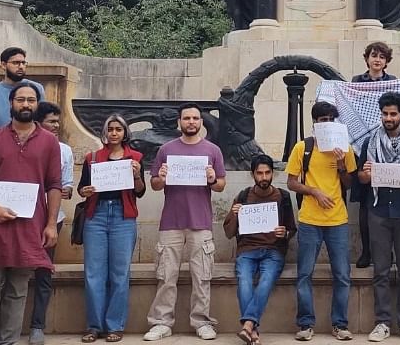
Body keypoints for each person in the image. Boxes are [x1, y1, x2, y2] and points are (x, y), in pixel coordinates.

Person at [0, 82, 62, 345]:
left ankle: (6, 342)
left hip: (29, 228)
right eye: (21, 100)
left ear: (36, 104)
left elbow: (54, 185)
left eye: (31, 100)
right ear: (11, 104)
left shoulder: (49, 142)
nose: (26, 105)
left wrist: (51, 224)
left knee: (17, 292)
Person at [144, 105, 227, 341]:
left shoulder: (212, 150)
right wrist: (160, 177)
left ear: (201, 122)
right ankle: (161, 322)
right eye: (186, 118)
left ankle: (201, 321)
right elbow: (155, 184)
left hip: (200, 222)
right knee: (166, 276)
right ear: (179, 122)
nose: (191, 122)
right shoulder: (166, 149)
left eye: (195, 118)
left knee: (201, 276)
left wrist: (212, 179)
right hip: (171, 221)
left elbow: (221, 184)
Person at [358, 92, 400, 343]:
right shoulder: (370, 142)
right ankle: (382, 322)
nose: (389, 118)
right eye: (385, 114)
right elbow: (362, 178)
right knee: (381, 270)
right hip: (377, 210)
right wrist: (366, 173)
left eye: (393, 114)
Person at [287, 101, 358, 342]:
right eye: (322, 120)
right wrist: (314, 191)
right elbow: (291, 183)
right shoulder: (302, 148)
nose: (326, 123)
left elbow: (350, 183)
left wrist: (340, 165)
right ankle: (306, 323)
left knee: (342, 274)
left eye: (330, 119)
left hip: (337, 219)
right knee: (305, 273)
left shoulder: (344, 148)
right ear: (315, 123)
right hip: (309, 219)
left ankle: (340, 324)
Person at [77, 114, 146, 343]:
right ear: (105, 133)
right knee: (93, 273)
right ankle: (94, 326)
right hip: (95, 216)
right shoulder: (93, 158)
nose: (114, 133)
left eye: (118, 129)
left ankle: (114, 325)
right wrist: (85, 191)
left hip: (122, 216)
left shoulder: (135, 158)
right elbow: (82, 188)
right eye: (110, 129)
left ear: (125, 132)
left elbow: (139, 191)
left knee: (120, 273)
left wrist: (136, 175)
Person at [223, 154, 298, 345]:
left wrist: (285, 233)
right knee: (245, 281)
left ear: (273, 173)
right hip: (247, 250)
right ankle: (252, 328)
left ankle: (248, 324)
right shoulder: (243, 196)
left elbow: (292, 229)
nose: (264, 177)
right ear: (253, 175)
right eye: (259, 173)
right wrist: (234, 215)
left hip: (273, 251)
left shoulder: (283, 197)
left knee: (266, 281)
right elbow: (229, 233)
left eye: (267, 173)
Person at [28, 102, 74, 345]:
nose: (56, 126)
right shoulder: (24, 146)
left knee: (44, 274)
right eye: (51, 121)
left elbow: (67, 183)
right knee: (15, 274)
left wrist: (64, 190)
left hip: (52, 221)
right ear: (38, 123)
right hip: (23, 220)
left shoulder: (64, 150)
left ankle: (38, 326)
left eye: (58, 121)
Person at [351, 41, 396, 268]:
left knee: (390, 200)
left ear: (386, 61)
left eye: (381, 57)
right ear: (367, 58)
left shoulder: (394, 83)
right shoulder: (356, 83)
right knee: (365, 202)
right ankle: (366, 252)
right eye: (373, 56)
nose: (377, 60)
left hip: (390, 147)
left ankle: (388, 252)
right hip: (363, 145)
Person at [0, 47, 46, 134]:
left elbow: (43, 120)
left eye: (23, 63)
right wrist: (2, 142)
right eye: (16, 63)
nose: (21, 66)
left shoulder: (37, 89)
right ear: (3, 65)